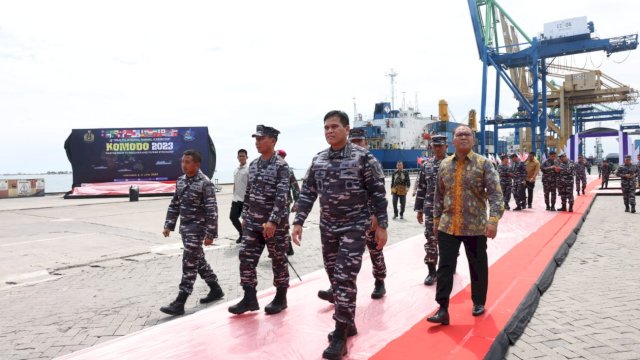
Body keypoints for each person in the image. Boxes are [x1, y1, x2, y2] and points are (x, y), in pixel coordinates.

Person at [292, 111, 388, 360]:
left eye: (334, 126)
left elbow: (378, 194)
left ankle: (339, 334)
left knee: (344, 278)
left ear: (346, 129)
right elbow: (307, 193)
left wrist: (382, 226)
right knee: (335, 277)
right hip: (328, 229)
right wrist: (298, 222)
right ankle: (349, 322)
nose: (329, 131)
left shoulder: (363, 158)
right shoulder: (319, 160)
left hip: (355, 228)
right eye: (326, 127)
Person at [426, 125, 504, 325]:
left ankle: (478, 301)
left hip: (475, 226)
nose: (463, 137)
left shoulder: (484, 164)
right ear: (452, 141)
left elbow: (496, 195)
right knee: (444, 267)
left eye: (467, 134)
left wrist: (493, 221)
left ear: (474, 140)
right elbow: (438, 195)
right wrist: (436, 220)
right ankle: (442, 309)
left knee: (477, 265)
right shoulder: (444, 165)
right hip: (448, 226)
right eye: (459, 134)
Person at [228, 125, 291, 316]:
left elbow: (282, 197)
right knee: (245, 258)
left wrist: (272, 221)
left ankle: (281, 298)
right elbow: (249, 193)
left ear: (272, 141)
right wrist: (245, 215)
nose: (257, 141)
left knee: (278, 260)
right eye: (256, 138)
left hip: (275, 226)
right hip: (253, 224)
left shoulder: (281, 166)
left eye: (261, 138)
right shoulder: (254, 165)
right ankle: (249, 298)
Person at [160, 149, 224, 316]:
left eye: (188, 162)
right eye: (183, 162)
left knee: (189, 262)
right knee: (198, 260)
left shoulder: (205, 183)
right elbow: (175, 204)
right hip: (185, 229)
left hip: (198, 229)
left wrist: (211, 234)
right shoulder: (180, 181)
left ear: (197, 164)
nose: (184, 165)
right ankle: (215, 289)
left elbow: (212, 210)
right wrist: (168, 225)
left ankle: (180, 301)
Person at [415, 135, 448, 285]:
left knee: (448, 240)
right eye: (435, 146)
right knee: (430, 239)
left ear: (446, 147)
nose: (437, 148)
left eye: (440, 146)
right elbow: (421, 188)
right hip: (430, 208)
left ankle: (448, 266)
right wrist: (419, 210)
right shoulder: (426, 166)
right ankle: (431, 271)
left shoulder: (453, 164)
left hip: (449, 209)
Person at [276, 149, 300, 256]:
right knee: (277, 227)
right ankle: (286, 248)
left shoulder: (288, 170)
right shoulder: (273, 168)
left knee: (283, 227)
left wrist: (296, 203)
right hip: (274, 204)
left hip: (285, 204)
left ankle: (287, 248)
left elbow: (295, 188)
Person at [230, 149, 249, 244]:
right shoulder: (236, 170)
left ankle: (247, 237)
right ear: (237, 157)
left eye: (243, 156)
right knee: (233, 217)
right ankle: (242, 233)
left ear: (246, 157)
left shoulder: (248, 169)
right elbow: (235, 183)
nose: (241, 157)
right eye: (240, 156)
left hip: (245, 200)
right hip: (236, 199)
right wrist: (233, 194)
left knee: (246, 220)